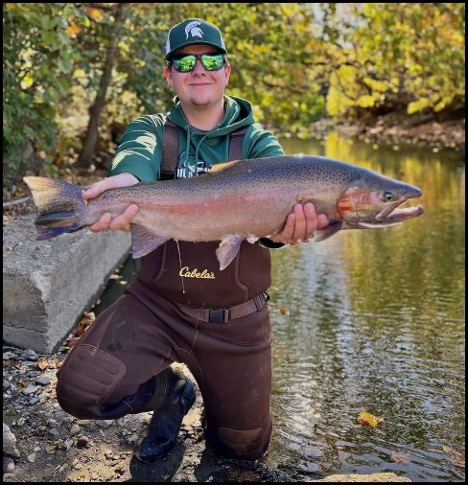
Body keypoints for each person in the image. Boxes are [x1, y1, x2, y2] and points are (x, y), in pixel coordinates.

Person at [56, 18, 329, 462]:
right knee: (80, 391)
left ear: (226, 70)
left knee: (243, 449)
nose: (198, 68)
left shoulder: (260, 145)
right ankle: (170, 393)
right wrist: (121, 186)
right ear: (169, 74)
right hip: (157, 306)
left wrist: (286, 229)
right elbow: (133, 161)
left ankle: (219, 408)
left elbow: (283, 218)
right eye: (184, 60)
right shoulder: (152, 130)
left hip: (236, 322)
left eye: (211, 59)